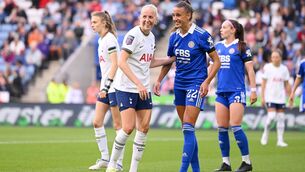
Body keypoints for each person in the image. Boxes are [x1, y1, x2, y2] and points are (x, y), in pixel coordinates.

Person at [153, 1, 221, 172]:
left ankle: (182, 170)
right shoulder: (174, 37)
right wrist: (159, 80)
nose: (175, 18)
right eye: (174, 15)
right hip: (180, 85)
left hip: (196, 84)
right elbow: (169, 61)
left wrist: (206, 82)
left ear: (189, 16)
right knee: (187, 130)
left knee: (188, 126)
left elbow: (217, 61)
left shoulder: (201, 35)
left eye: (178, 15)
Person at [106, 4, 174, 172]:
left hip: (143, 89)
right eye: (144, 16)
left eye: (150, 17)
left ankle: (133, 169)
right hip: (127, 87)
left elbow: (148, 62)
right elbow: (121, 62)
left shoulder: (151, 37)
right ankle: (112, 164)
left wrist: (168, 60)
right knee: (128, 128)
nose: (147, 20)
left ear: (156, 20)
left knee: (143, 128)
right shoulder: (132, 35)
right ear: (139, 18)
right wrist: (138, 83)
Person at [213, 19, 257, 172]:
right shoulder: (217, 47)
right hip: (221, 92)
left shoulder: (242, 46)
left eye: (224, 27)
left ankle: (246, 162)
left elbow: (250, 70)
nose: (221, 29)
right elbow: (211, 68)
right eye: (221, 27)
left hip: (236, 91)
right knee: (222, 128)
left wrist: (253, 90)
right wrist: (204, 83)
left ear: (233, 30)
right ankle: (226, 163)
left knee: (236, 126)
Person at [88, 11, 124, 171]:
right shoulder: (101, 39)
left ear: (104, 23)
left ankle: (119, 163)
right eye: (91, 21)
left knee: (118, 125)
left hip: (114, 86)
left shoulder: (110, 39)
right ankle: (104, 158)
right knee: (97, 122)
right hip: (106, 85)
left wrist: (106, 86)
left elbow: (116, 65)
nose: (92, 24)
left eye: (95, 22)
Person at [260, 50, 291, 147]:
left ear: (280, 58)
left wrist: (290, 97)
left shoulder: (284, 69)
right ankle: (265, 133)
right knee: (272, 116)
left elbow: (287, 84)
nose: (274, 59)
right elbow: (263, 83)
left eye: (276, 57)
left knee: (281, 118)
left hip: (281, 97)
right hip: (270, 97)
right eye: (273, 57)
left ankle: (280, 140)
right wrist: (262, 97)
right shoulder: (267, 67)